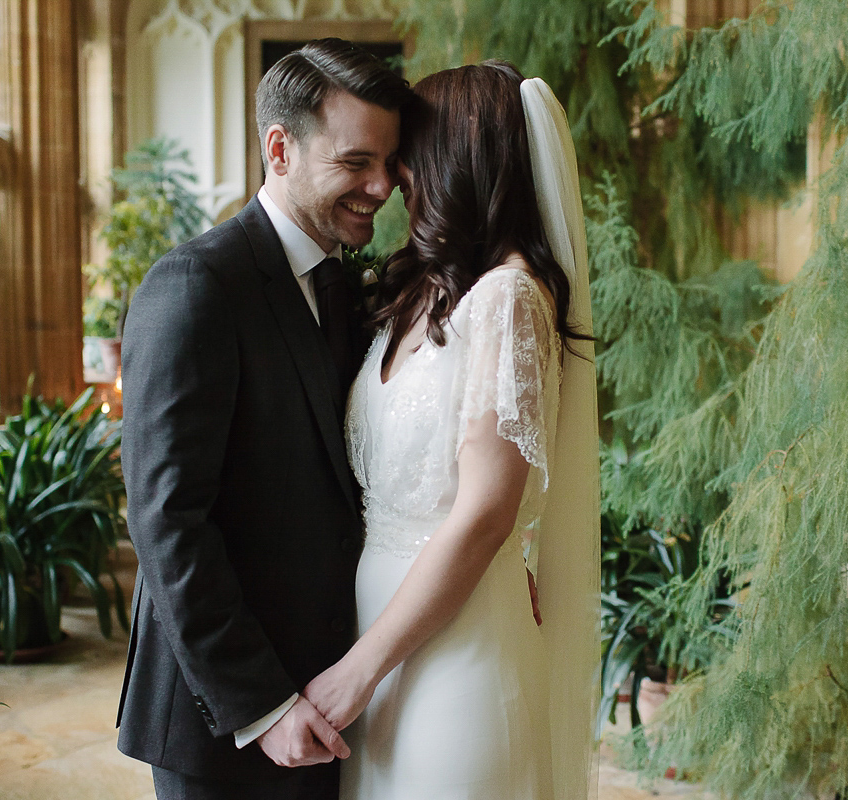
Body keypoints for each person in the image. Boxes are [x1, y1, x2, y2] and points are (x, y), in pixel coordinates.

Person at [115, 39, 411, 800]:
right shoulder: (196, 287)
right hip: (225, 720)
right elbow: (168, 523)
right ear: (280, 149)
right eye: (355, 163)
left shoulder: (341, 287)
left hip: (328, 697)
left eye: (388, 163)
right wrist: (264, 705)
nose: (382, 187)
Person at [302, 62, 601, 799]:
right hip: (381, 634)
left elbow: (481, 514)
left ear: (458, 155)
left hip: (457, 654)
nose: (392, 175)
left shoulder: (507, 298)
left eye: (408, 150)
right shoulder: (423, 291)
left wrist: (356, 672)